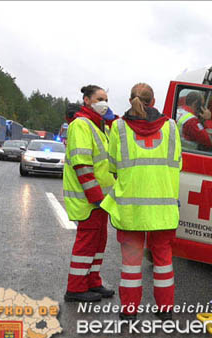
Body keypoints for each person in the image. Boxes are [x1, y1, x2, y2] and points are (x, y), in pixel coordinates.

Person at [100, 83, 181, 320]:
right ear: (153, 102)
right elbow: (178, 163)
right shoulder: (172, 127)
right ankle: (165, 311)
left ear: (130, 100)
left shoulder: (118, 127)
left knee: (131, 265)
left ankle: (129, 312)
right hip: (163, 211)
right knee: (163, 263)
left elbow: (113, 165)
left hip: (131, 210)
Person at [63, 85, 115, 302]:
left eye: (106, 98)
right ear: (86, 100)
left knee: (99, 242)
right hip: (89, 198)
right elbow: (82, 165)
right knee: (87, 243)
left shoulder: (99, 125)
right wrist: (96, 197)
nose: (104, 102)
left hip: (101, 199)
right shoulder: (81, 125)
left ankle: (93, 281)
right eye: (99, 98)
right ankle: (75, 288)